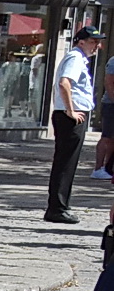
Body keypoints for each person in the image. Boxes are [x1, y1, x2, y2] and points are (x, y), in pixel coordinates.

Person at [48, 25, 104, 225]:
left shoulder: (79, 58)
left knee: (67, 161)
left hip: (69, 114)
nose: (97, 46)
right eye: (93, 42)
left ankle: (60, 205)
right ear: (81, 42)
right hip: (70, 116)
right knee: (65, 162)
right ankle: (57, 207)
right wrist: (70, 110)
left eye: (98, 42)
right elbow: (64, 83)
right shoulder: (75, 58)